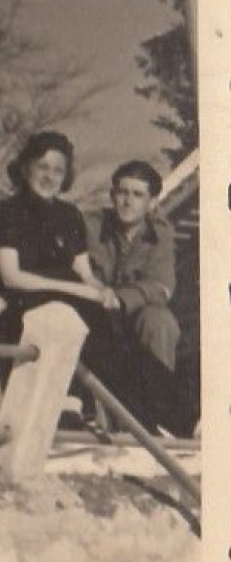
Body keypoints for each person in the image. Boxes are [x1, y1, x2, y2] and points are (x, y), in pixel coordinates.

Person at [0, 132, 185, 434]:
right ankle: (147, 421)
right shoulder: (7, 213)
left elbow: (84, 272)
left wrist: (99, 291)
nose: (49, 176)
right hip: (31, 302)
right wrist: (82, 291)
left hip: (77, 302)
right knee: (110, 346)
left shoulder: (68, 215)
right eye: (43, 167)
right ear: (26, 167)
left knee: (124, 348)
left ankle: (182, 418)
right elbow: (12, 277)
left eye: (58, 170)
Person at [83, 161, 192, 433]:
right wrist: (96, 293)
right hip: (94, 308)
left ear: (153, 202)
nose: (127, 201)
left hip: (132, 313)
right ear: (112, 196)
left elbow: (161, 286)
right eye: (122, 192)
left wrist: (121, 299)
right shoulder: (91, 225)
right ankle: (92, 413)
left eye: (137, 194)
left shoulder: (160, 235)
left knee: (160, 321)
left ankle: (156, 416)